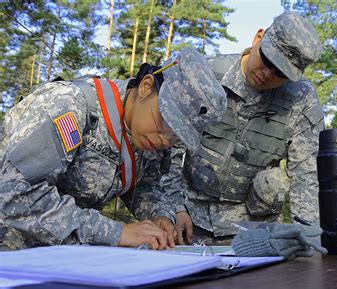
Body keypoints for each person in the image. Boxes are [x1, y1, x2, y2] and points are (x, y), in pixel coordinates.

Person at [0, 47, 226, 250]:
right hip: (12, 247)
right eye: (166, 122)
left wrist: (159, 216)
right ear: (146, 87)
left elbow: (144, 185)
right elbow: (14, 193)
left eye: (177, 137)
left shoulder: (145, 136)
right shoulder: (70, 107)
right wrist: (115, 232)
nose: (164, 141)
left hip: (60, 253)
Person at [159, 12, 326, 245]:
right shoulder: (207, 74)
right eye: (268, 61)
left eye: (281, 73)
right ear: (258, 37)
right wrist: (174, 208)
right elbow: (168, 150)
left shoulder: (302, 101)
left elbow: (306, 177)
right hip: (187, 220)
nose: (268, 74)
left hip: (253, 230)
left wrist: (307, 241)